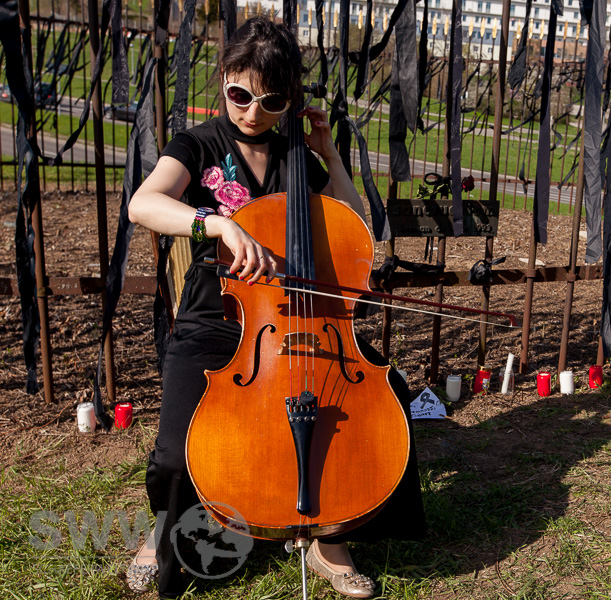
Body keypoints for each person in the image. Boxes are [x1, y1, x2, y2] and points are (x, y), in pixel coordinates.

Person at [126, 17, 425, 599]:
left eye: (271, 101)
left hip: (305, 325)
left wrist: (328, 154)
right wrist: (216, 224)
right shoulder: (198, 145)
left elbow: (353, 228)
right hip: (216, 321)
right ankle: (160, 532)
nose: (253, 112)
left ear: (289, 99)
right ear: (224, 79)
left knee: (378, 403)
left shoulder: (297, 157)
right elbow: (144, 203)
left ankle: (328, 535)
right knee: (175, 454)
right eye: (241, 95)